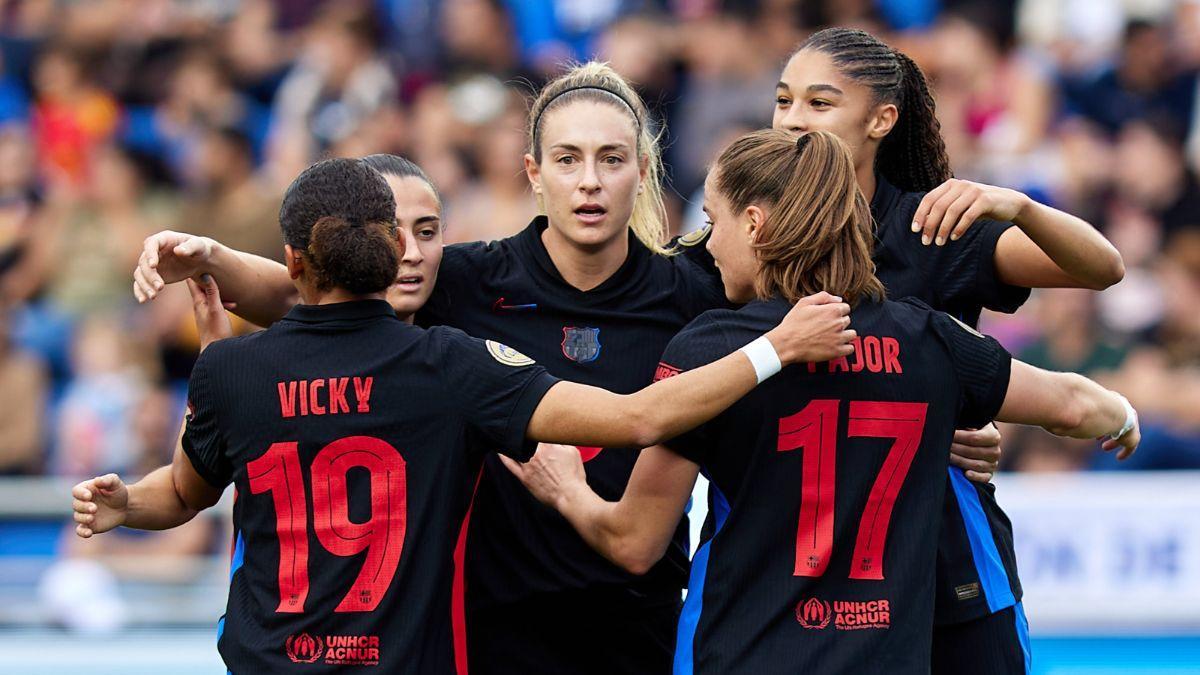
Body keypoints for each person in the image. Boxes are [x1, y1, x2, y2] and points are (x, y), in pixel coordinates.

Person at [73, 157, 854, 673]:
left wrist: (122, 503)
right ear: (390, 257)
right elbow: (642, 416)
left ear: (293, 261)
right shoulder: (452, 365)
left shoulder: (228, 369)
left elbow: (180, 493)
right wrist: (775, 346)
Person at [129, 63, 730, 674]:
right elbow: (304, 296)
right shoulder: (469, 281)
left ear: (644, 170)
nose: (590, 183)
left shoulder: (697, 297)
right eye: (568, 159)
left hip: (634, 626)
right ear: (535, 173)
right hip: (482, 625)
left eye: (612, 159)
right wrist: (212, 256)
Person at [504, 129, 1141, 675]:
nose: (707, 244)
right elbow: (1075, 405)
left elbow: (636, 541)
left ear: (754, 224)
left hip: (741, 653)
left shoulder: (712, 348)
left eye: (713, 223)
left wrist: (567, 491)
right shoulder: (928, 338)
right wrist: (1122, 416)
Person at [761, 27, 1126, 672]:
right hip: (799, 564)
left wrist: (1018, 206)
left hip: (945, 553)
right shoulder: (747, 234)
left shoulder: (931, 226)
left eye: (818, 104)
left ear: (882, 119)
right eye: (783, 100)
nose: (792, 121)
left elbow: (1102, 269)